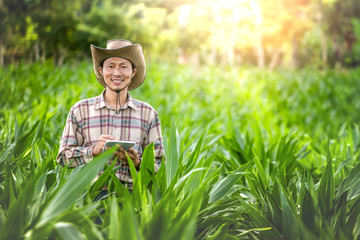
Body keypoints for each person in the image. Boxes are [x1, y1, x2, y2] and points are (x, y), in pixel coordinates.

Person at [56, 39, 165, 190]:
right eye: (111, 66)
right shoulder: (80, 110)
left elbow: (160, 164)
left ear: (133, 72)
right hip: (90, 198)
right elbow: (63, 157)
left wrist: (138, 162)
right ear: (101, 71)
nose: (117, 73)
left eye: (123, 67)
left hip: (132, 199)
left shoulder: (148, 114)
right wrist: (94, 151)